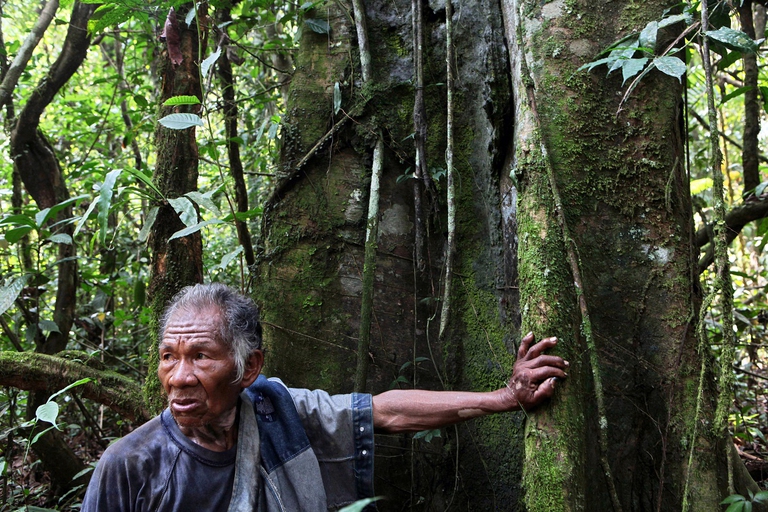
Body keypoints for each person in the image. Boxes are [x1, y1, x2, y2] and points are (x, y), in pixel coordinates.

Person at [81, 283, 568, 511]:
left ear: (249, 368)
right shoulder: (129, 464)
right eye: (169, 357)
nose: (180, 377)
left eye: (201, 356)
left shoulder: (275, 411)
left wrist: (506, 397)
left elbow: (386, 412)